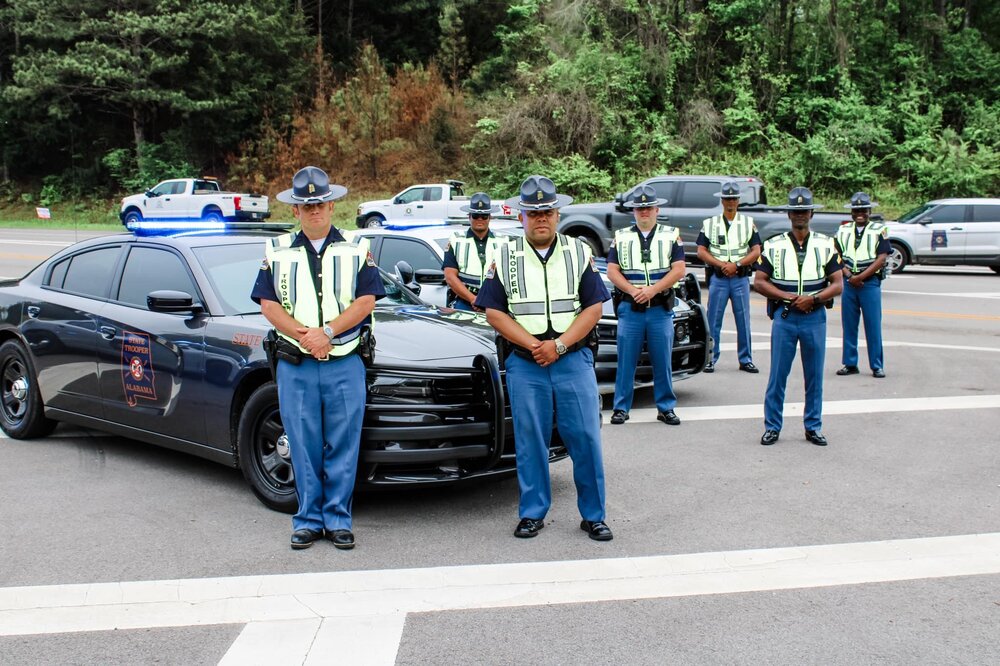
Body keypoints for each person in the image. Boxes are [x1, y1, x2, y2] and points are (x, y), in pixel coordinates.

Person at [251, 166, 385, 550]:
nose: (314, 211)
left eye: (320, 204)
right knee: (303, 443)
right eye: (306, 205)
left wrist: (327, 332)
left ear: (331, 206)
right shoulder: (276, 250)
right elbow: (268, 304)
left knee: (344, 444)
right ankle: (308, 520)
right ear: (296, 211)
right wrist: (306, 336)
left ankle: (338, 519)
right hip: (298, 364)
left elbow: (367, 300)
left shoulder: (356, 247)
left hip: (344, 361)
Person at [475, 175, 613, 541]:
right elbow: (494, 312)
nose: (541, 218)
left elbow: (594, 307)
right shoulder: (503, 255)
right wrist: (535, 345)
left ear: (557, 214)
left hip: (571, 358)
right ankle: (533, 512)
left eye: (547, 211)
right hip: (526, 361)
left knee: (585, 438)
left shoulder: (577, 251)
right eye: (533, 212)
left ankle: (594, 515)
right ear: (522, 216)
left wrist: (561, 345)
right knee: (530, 439)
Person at [754, 187, 843, 447]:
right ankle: (772, 427)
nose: (800, 216)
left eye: (804, 211)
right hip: (786, 316)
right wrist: (790, 297)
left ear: (811, 213)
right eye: (796, 211)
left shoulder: (826, 244)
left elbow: (837, 284)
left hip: (814, 317)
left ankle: (813, 426)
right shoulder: (774, 245)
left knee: (814, 375)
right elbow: (760, 281)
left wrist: (813, 299)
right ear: (789, 214)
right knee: (777, 375)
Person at [606, 184, 686, 426]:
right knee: (626, 362)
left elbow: (679, 269)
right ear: (633, 211)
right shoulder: (620, 237)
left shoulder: (671, 235)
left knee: (662, 361)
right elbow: (612, 270)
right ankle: (621, 407)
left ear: (657, 210)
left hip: (659, 308)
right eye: (639, 208)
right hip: (631, 309)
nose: (644, 212)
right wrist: (632, 290)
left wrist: (653, 289)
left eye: (648, 208)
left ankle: (666, 407)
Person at [696, 181, 762, 373]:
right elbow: (701, 251)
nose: (730, 202)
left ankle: (745, 359)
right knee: (713, 319)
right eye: (727, 198)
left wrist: (738, 264)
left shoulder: (747, 223)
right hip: (719, 277)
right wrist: (721, 264)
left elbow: (756, 250)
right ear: (722, 200)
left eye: (734, 198)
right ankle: (710, 358)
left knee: (743, 320)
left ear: (738, 200)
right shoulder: (711, 224)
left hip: (740, 278)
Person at [834, 192, 889, 378]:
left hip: (870, 282)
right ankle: (850, 363)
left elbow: (882, 258)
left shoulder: (878, 230)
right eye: (856, 210)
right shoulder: (843, 230)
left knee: (873, 325)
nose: (860, 213)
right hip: (849, 282)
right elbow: (836, 255)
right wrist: (848, 275)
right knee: (849, 325)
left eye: (863, 210)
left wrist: (861, 276)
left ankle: (876, 365)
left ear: (869, 211)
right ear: (851, 212)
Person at [442, 192, 502, 311]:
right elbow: (450, 276)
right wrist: (473, 299)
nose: (480, 219)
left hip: (494, 302)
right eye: (475, 215)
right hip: (465, 302)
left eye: (484, 216)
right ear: (469, 216)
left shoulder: (503, 241)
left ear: (490, 217)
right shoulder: (456, 240)